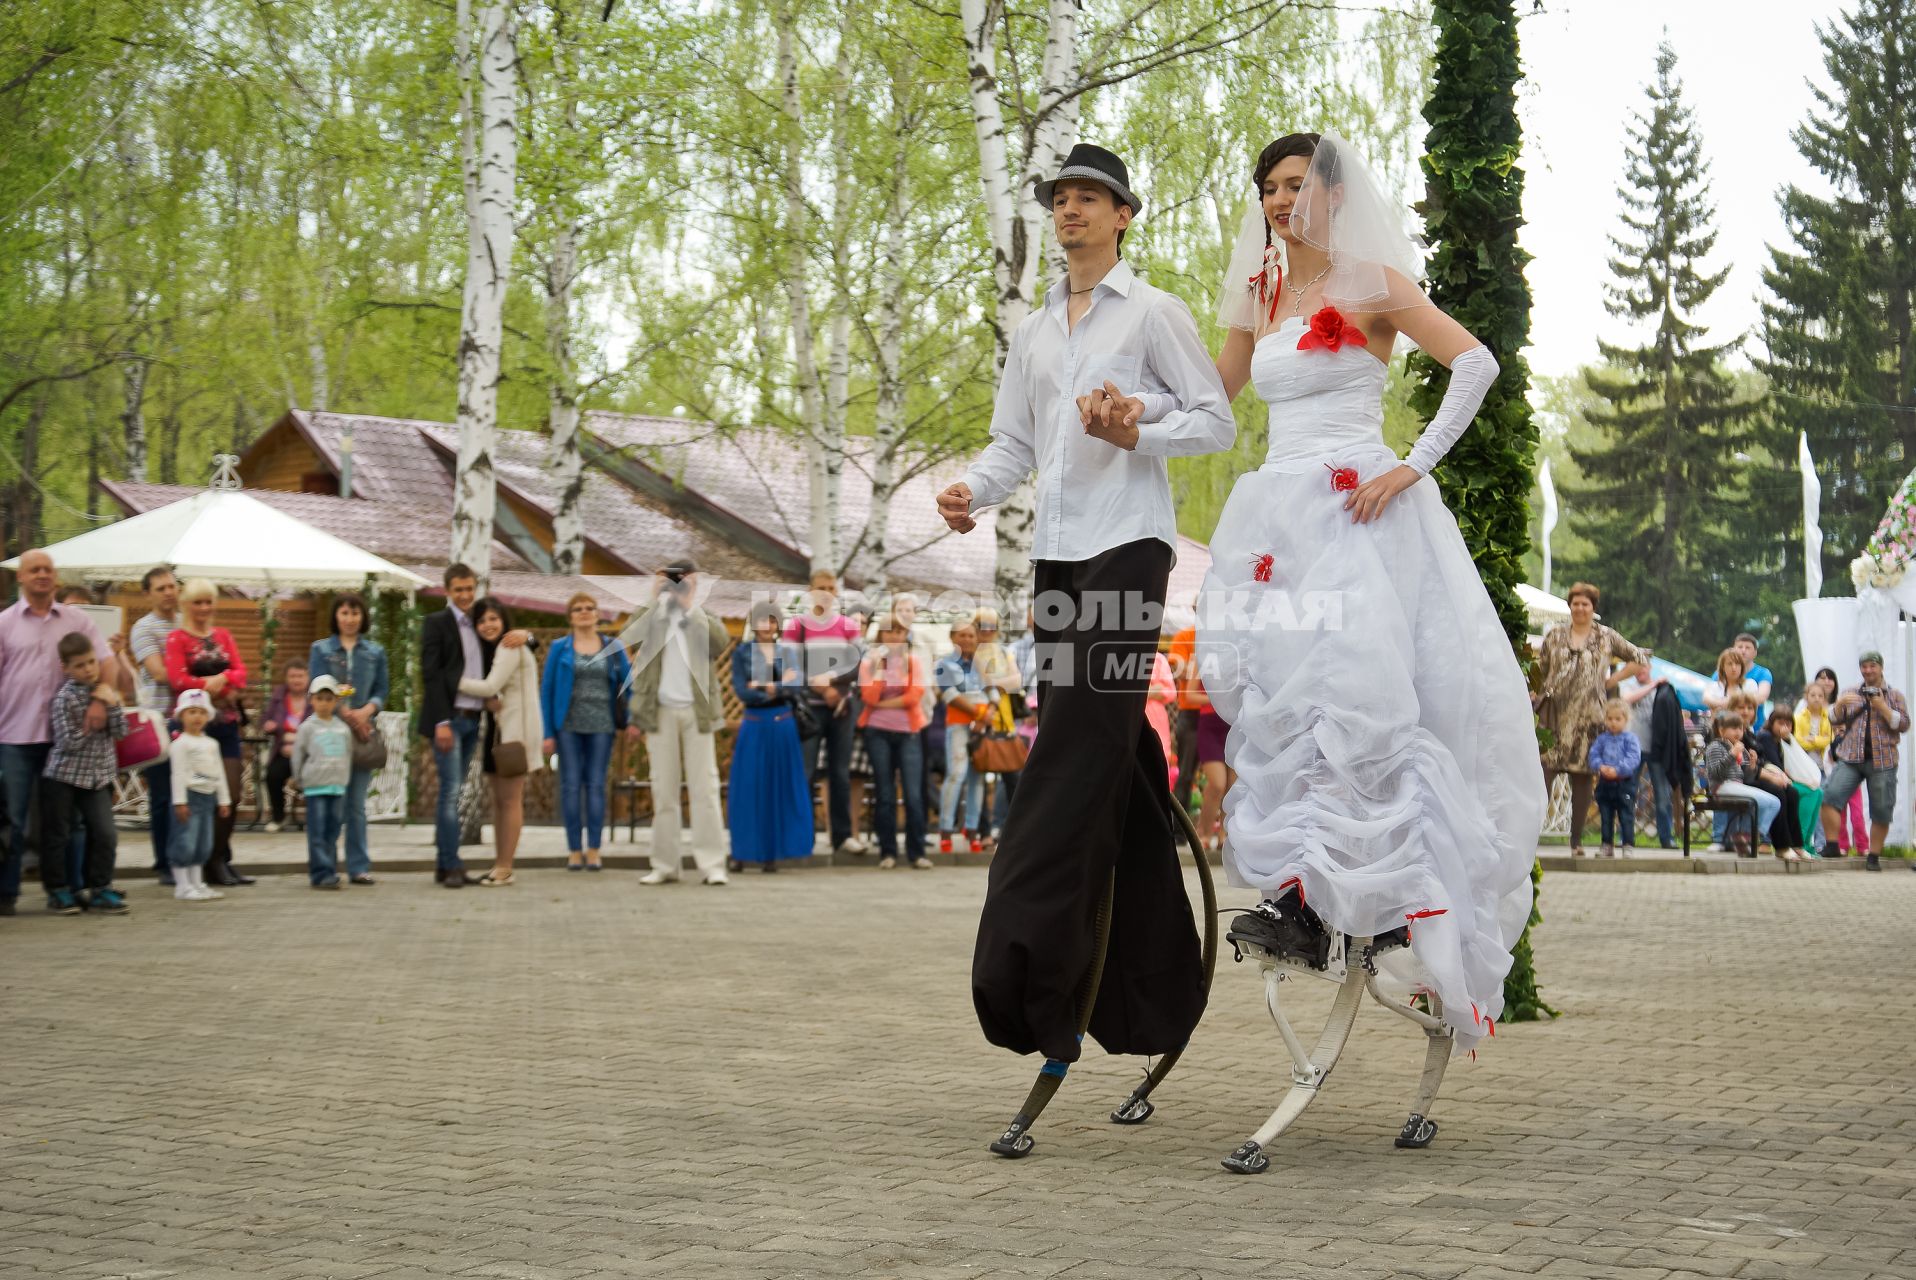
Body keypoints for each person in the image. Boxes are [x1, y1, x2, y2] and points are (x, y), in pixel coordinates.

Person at [1189, 130, 1545, 1054]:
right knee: (1286, 706)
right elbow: (1212, 401)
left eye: (1296, 185)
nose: (1279, 201)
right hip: (1278, 520)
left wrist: (1414, 466)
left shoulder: (1374, 283)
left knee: (1361, 704)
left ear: (1334, 196)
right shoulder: (1261, 295)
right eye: (1268, 186)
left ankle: (1391, 909)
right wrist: (1125, 420)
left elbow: (1475, 363)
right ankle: (1304, 900)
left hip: (1356, 515)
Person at [940, 141, 1233, 1065]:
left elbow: (1215, 421)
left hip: (1129, 548)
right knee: (1108, 749)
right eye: (1060, 198)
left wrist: (1135, 421)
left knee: (1069, 756)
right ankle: (1148, 995)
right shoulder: (1033, 333)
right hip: (1057, 561)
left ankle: (1030, 970)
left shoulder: (1153, 312)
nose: (1069, 211)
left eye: (1088, 198)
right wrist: (971, 493)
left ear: (1123, 215)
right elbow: (1011, 445)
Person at [0, 548, 117, 916]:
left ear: (56, 577)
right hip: (15, 736)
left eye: (47, 569)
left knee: (69, 822)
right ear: (20, 577)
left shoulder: (77, 619)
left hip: (65, 741)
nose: (41, 574)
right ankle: (6, 894)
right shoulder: (4, 623)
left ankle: (70, 889)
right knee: (12, 821)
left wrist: (100, 701)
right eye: (33, 569)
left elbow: (106, 662)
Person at [623, 560, 731, 886]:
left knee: (706, 790)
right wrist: (654, 595)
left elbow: (719, 642)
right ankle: (665, 865)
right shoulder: (654, 615)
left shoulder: (703, 615)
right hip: (660, 711)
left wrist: (690, 603)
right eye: (674, 579)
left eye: (685, 580)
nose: (678, 584)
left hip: (697, 712)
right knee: (663, 791)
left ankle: (713, 865)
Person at [1537, 582, 1648, 858]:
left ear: (1593, 608)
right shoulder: (1555, 635)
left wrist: (1612, 679)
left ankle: (1576, 843)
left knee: (1582, 779)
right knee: (1542, 775)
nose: (1580, 608)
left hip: (1589, 718)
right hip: (1554, 715)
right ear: (1570, 606)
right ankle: (1529, 837)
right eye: (1575, 603)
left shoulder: (1606, 636)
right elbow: (1540, 669)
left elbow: (1641, 657)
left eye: (1585, 603)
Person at [162, 578, 252, 887]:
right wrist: (206, 685)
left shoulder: (223, 636)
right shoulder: (177, 639)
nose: (204, 608)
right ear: (186, 605)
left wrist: (221, 679)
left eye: (208, 602)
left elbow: (241, 672)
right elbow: (177, 679)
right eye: (197, 602)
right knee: (195, 795)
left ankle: (218, 859)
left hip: (225, 724)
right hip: (191, 728)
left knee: (231, 793)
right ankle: (192, 863)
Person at [540, 592, 635, 872]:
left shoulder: (613, 647)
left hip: (602, 726)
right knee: (570, 787)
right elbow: (547, 691)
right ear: (570, 616)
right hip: (567, 725)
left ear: (597, 614)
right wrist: (547, 733)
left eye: (589, 608)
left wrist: (632, 720)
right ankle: (573, 850)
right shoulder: (560, 648)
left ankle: (593, 849)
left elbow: (628, 688)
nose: (584, 612)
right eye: (578, 609)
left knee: (595, 786)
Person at [38, 632, 130, 914]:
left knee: (105, 833)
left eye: (91, 662)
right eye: (79, 665)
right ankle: (58, 890)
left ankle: (101, 888)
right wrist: (92, 721)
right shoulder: (64, 698)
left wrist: (111, 704)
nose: (88, 669)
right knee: (59, 834)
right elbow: (68, 742)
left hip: (97, 777)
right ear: (65, 668)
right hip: (63, 776)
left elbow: (122, 731)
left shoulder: (106, 691)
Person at [458, 597, 543, 887]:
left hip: (513, 735)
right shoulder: (494, 648)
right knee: (499, 802)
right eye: (482, 620)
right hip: (498, 731)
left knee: (509, 801)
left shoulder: (511, 646)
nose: (488, 625)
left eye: (493, 618)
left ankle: (505, 867)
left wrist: (452, 680)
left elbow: (490, 686)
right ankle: (500, 864)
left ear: (504, 620)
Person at [309, 591, 391, 885]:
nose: (349, 619)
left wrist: (366, 711)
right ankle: (326, 867)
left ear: (362, 616)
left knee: (356, 804)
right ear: (336, 616)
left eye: (355, 613)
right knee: (332, 803)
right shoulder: (320, 649)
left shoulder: (375, 652)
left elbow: (382, 690)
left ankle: (358, 865)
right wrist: (345, 713)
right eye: (344, 613)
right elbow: (317, 688)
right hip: (331, 733)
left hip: (363, 734)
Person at [784, 571, 865, 856]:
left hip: (842, 708)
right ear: (810, 591)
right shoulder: (797, 627)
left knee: (840, 773)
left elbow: (858, 664)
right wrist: (819, 688)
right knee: (805, 772)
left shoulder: (847, 626)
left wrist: (831, 683)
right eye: (821, 587)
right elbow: (790, 666)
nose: (827, 592)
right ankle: (801, 837)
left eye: (832, 588)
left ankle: (842, 837)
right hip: (810, 710)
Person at [728, 603, 813, 870]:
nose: (767, 626)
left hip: (783, 726)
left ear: (778, 624)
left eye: (772, 620)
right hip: (754, 724)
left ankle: (771, 854)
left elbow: (797, 685)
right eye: (762, 620)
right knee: (749, 790)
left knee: (779, 790)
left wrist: (766, 685)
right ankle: (742, 852)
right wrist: (777, 688)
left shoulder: (786, 652)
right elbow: (743, 691)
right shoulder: (742, 653)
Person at [1819, 650, 1910, 871]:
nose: (1868, 670)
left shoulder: (1895, 695)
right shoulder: (1851, 692)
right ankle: (1832, 845)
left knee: (1881, 809)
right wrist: (1839, 705)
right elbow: (1832, 720)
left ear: (1881, 667)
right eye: (1864, 666)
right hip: (1851, 756)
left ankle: (1874, 856)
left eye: (1872, 666)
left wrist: (1882, 708)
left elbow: (1905, 725)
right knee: (1829, 796)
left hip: (1883, 760)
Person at [860, 612, 932, 870]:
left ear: (905, 635)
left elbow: (914, 697)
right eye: (889, 631)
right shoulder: (870, 662)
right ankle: (888, 851)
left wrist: (884, 702)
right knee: (885, 793)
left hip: (908, 732)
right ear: (881, 634)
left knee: (913, 794)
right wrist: (881, 671)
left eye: (899, 632)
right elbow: (868, 697)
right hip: (877, 732)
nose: (894, 636)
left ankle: (917, 852)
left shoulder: (913, 662)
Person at [128, 566, 182, 883]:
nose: (168, 592)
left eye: (172, 586)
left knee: (185, 794)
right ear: (148, 594)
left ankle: (184, 856)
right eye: (160, 588)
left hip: (191, 723)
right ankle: (164, 863)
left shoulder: (187, 622)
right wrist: (202, 679)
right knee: (162, 796)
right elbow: (160, 674)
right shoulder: (143, 629)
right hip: (159, 724)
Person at [290, 676, 354, 889]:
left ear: (336, 701)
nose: (325, 703)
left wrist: (345, 778)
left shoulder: (342, 729)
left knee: (332, 830)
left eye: (329, 698)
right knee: (317, 832)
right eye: (320, 698)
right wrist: (298, 777)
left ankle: (330, 868)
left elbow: (348, 755)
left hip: (337, 786)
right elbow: (298, 754)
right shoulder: (308, 728)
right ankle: (321, 872)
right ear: (312, 700)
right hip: (316, 787)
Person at [167, 689, 231, 902]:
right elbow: (177, 774)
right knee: (185, 840)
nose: (197, 717)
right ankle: (182, 885)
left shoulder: (212, 744)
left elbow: (219, 773)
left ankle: (197, 882)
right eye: (191, 712)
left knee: (203, 842)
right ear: (181, 716)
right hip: (190, 797)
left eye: (201, 712)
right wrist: (180, 801)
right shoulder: (180, 744)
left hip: (208, 798)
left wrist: (223, 800)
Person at [933, 620, 989, 855]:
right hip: (959, 724)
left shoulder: (982, 663)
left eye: (971, 635)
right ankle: (946, 829)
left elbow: (993, 689)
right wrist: (976, 713)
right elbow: (949, 694)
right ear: (953, 637)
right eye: (962, 635)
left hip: (982, 725)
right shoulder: (944, 663)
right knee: (956, 774)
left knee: (978, 777)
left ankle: (973, 829)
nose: (967, 639)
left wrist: (987, 715)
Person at [1806, 667, 1866, 857]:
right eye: (1821, 678)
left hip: (1846, 771)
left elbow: (1825, 739)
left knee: (1856, 814)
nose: (1825, 682)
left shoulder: (1840, 709)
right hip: (1819, 767)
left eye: (1829, 678)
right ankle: (1837, 844)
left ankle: (1863, 846)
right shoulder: (1804, 711)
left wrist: (1816, 740)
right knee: (1831, 809)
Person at [1701, 712, 1779, 856]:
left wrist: (1752, 766)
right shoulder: (1715, 747)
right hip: (1721, 786)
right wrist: (1731, 754)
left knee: (1774, 803)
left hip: (1736, 786)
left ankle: (1745, 836)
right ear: (1721, 730)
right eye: (1733, 728)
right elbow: (1715, 773)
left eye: (1741, 728)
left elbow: (1745, 778)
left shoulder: (1739, 749)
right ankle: (1746, 836)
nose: (1738, 732)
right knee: (1765, 802)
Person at [1752, 708, 1817, 860]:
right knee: (1780, 793)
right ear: (1772, 722)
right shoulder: (1766, 736)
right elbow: (1774, 763)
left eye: (1788, 724)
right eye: (1780, 723)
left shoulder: (1782, 740)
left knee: (1792, 793)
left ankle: (1797, 844)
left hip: (1775, 777)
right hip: (1761, 777)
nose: (1785, 727)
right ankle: (1782, 846)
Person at [1587, 701, 1641, 858]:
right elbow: (1593, 755)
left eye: (1618, 719)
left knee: (1626, 815)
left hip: (1624, 783)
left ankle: (1628, 845)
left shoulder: (1630, 739)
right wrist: (1601, 767)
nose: (1613, 722)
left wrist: (1618, 769)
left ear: (1626, 719)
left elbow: (1633, 758)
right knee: (1606, 815)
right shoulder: (1602, 739)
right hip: (1605, 783)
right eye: (1610, 718)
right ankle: (1606, 845)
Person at [259, 663, 309, 832]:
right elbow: (265, 720)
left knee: (316, 776)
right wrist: (269, 725)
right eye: (292, 676)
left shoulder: (315, 698)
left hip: (308, 754)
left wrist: (298, 744)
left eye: (300, 676)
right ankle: (279, 817)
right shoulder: (278, 697)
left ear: (307, 678)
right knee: (272, 776)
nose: (296, 680)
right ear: (286, 679)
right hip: (283, 751)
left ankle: (316, 817)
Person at [1734, 632, 1774, 711]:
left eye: (1747, 647)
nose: (1743, 651)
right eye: (1740, 647)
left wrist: (1731, 702)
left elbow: (1761, 697)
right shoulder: (1722, 672)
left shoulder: (1763, 673)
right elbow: (1708, 696)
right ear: (1734, 650)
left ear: (1755, 652)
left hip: (1756, 723)